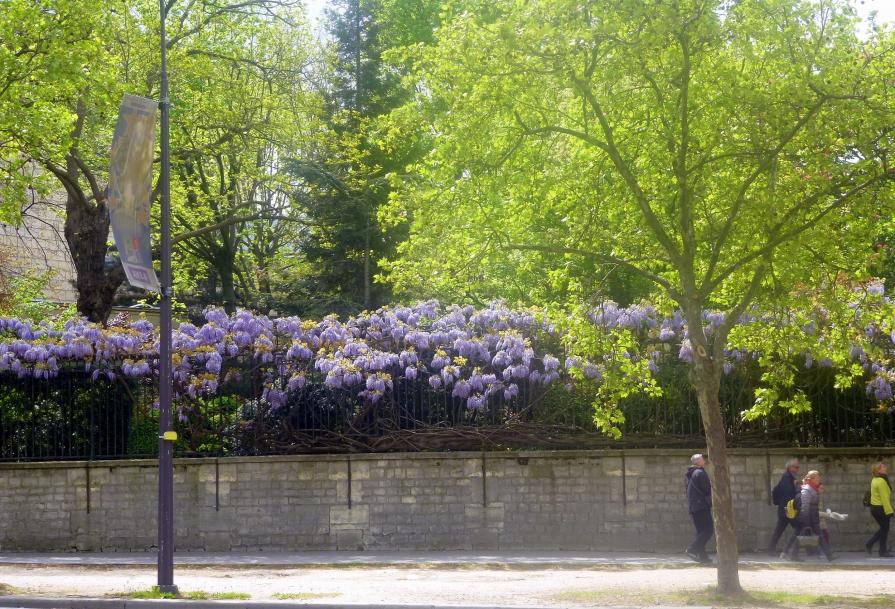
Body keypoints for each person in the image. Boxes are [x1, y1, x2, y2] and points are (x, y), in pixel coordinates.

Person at [782, 470, 833, 562]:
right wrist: (806, 521)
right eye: (817, 478)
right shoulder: (807, 489)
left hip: (813, 518)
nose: (819, 479)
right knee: (799, 536)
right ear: (812, 479)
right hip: (807, 518)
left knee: (817, 536)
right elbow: (805, 506)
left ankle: (829, 555)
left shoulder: (813, 489)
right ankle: (792, 555)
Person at [767, 457, 800, 555]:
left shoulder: (790, 477)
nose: (798, 469)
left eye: (798, 467)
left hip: (786, 509)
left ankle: (771, 550)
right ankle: (810, 550)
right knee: (800, 528)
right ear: (790, 468)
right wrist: (797, 487)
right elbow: (788, 493)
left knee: (779, 530)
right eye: (796, 467)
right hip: (788, 510)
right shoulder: (787, 477)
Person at [685, 453, 713, 563]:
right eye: (703, 459)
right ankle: (692, 549)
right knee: (708, 530)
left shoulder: (690, 473)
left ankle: (702, 556)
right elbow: (707, 489)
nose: (704, 460)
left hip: (694, 506)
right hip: (701, 506)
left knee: (701, 531)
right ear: (698, 462)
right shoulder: (700, 473)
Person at [865, 462, 893, 557]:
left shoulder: (875, 479)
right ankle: (873, 545)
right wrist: (889, 511)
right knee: (885, 529)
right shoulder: (881, 481)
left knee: (884, 529)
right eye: (883, 467)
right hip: (881, 508)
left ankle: (881, 550)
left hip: (875, 508)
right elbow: (884, 498)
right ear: (879, 470)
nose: (886, 468)